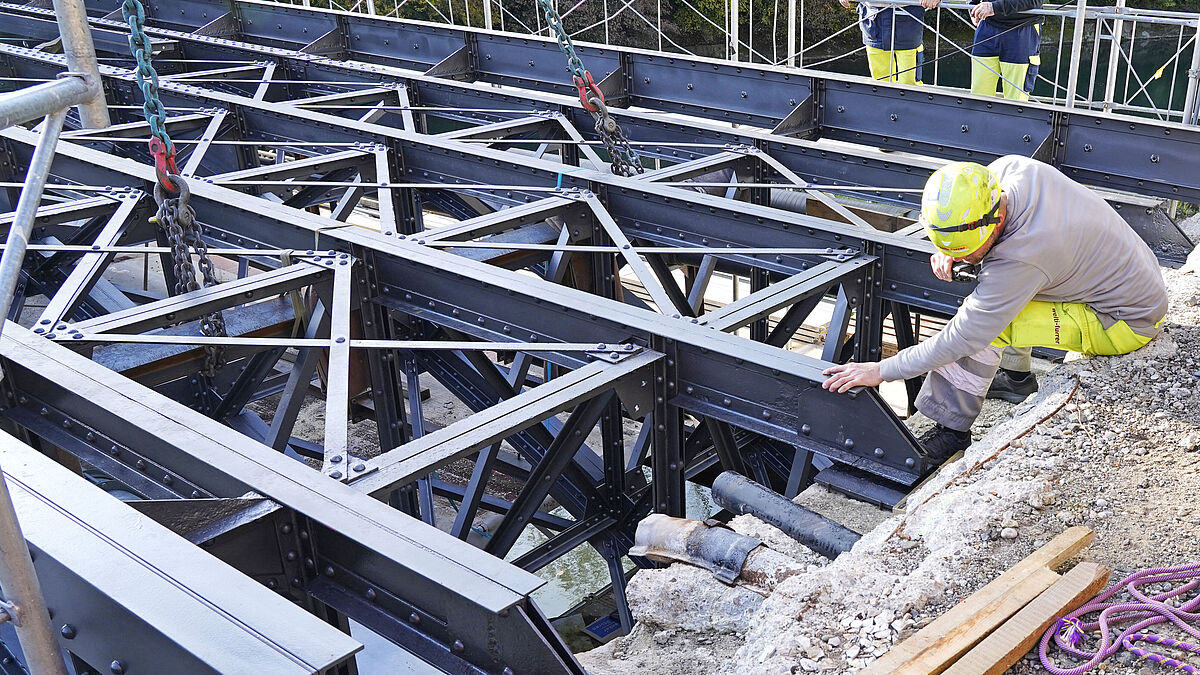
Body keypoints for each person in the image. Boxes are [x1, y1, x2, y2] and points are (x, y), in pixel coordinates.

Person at [821, 157, 1168, 463]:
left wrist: (883, 369)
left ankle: (952, 430)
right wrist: (954, 248)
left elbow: (963, 337)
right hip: (1133, 281)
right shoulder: (1007, 173)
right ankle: (1017, 379)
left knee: (992, 324)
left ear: (996, 220)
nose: (967, 259)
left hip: (1124, 322)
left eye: (971, 250)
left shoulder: (1026, 253)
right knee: (1002, 296)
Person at [839, 0, 941, 85]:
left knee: (910, 85)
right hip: (873, 19)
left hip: (908, 19)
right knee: (880, 83)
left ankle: (910, 107)